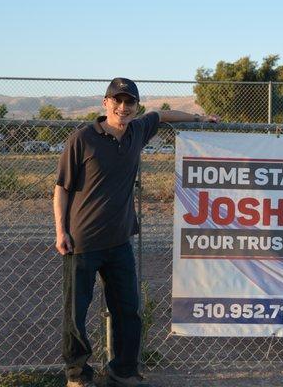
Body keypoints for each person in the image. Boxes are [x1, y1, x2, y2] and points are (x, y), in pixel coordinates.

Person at [54, 77, 219, 387]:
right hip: (82, 241)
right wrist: (60, 231)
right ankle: (77, 375)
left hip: (119, 242)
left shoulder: (137, 131)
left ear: (135, 106)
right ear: (105, 103)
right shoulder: (83, 138)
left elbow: (163, 115)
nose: (123, 106)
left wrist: (200, 118)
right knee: (75, 314)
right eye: (117, 100)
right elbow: (61, 189)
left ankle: (123, 371)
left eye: (129, 102)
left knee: (128, 311)